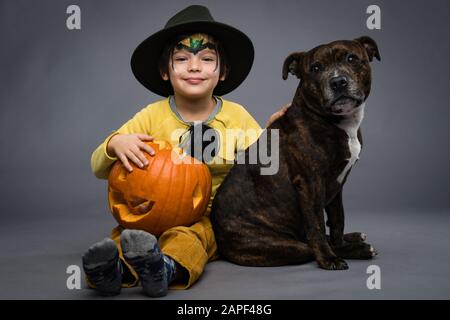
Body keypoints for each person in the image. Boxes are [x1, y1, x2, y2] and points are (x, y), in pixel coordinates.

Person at [82, 5, 286, 297]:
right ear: (165, 71)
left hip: (210, 216)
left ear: (223, 71)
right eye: (181, 59)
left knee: (189, 238)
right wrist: (116, 143)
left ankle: (163, 268)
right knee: (125, 237)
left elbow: (267, 167)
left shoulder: (237, 117)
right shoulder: (151, 116)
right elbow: (97, 165)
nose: (194, 67)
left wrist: (275, 136)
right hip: (150, 213)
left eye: (206, 59)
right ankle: (111, 272)